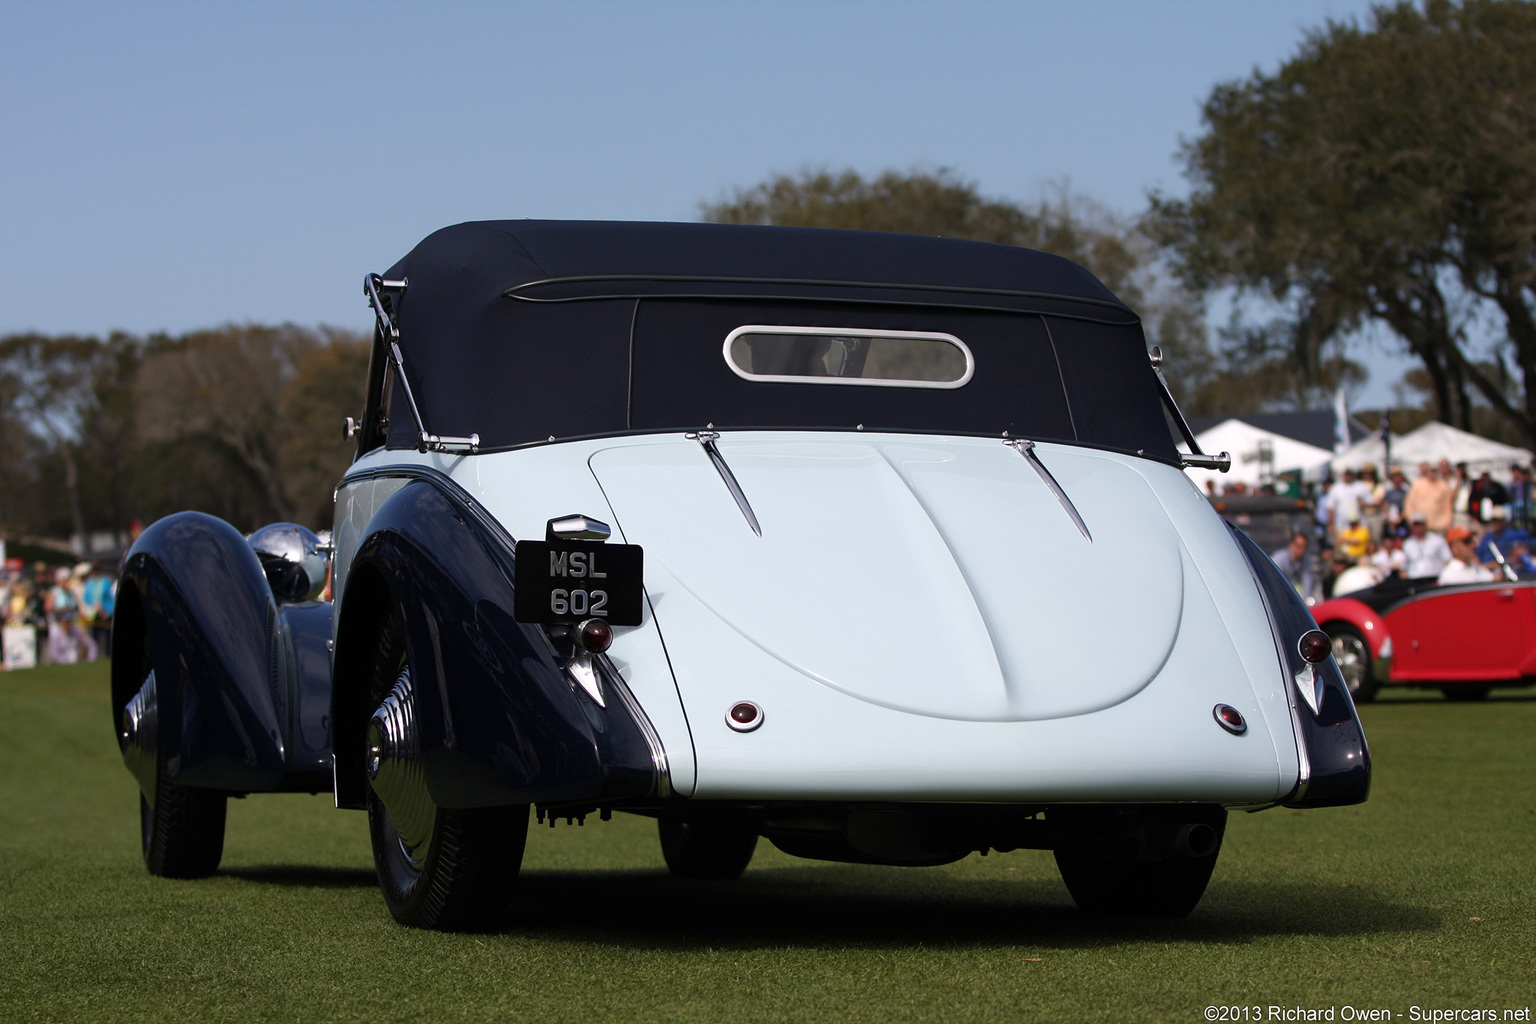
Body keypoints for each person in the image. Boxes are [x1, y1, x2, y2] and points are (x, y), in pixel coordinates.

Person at [1404, 462, 1454, 535]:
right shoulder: (1417, 485)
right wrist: (1410, 519)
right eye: (1431, 471)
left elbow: (1447, 506)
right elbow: (1409, 504)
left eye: (1435, 471)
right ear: (1427, 471)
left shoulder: (1443, 486)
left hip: (1438, 526)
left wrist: (1447, 522)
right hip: (1420, 524)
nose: (1432, 473)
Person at [1270, 531, 1316, 601]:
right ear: (1292, 545)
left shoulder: (1306, 559)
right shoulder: (1279, 560)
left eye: (1304, 547)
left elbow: (1307, 580)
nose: (1302, 550)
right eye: (1299, 546)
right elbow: (1273, 582)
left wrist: (1305, 599)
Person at [1402, 513, 1452, 578]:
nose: (1419, 527)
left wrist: (1443, 574)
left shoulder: (1437, 540)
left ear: (1426, 524)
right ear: (1412, 526)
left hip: (1434, 578)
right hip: (1414, 580)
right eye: (1416, 524)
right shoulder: (1407, 544)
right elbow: (1404, 566)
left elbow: (1447, 559)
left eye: (1421, 524)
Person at [1382, 466, 1410, 536]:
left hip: (1402, 523)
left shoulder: (1406, 492)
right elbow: (1385, 507)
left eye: (1398, 476)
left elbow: (1407, 507)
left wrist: (1399, 519)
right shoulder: (1389, 492)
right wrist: (1389, 520)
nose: (1397, 479)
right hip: (1391, 522)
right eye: (1394, 477)